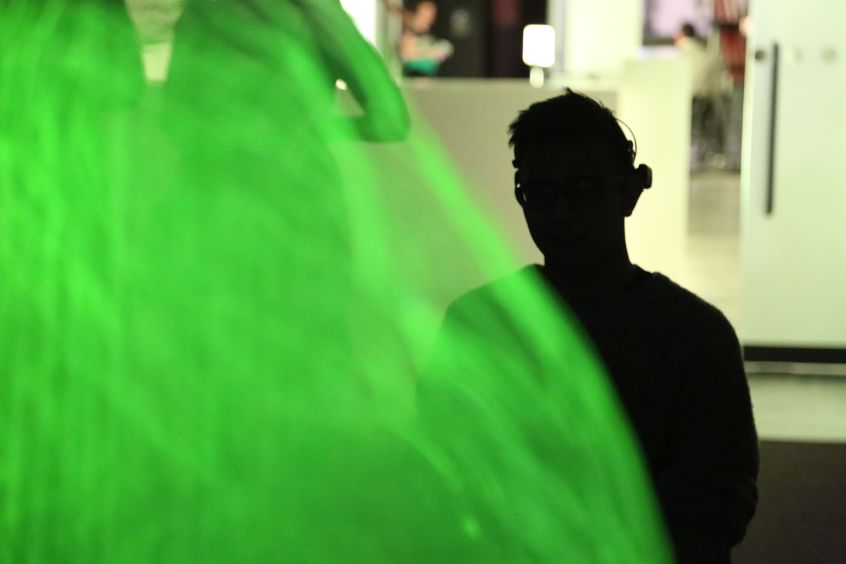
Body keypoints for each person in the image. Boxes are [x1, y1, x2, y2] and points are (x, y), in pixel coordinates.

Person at [429, 90, 759, 564]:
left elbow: (712, 506)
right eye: (542, 193)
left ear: (629, 193)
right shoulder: (693, 332)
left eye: (583, 190)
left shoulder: (694, 336)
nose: (561, 212)